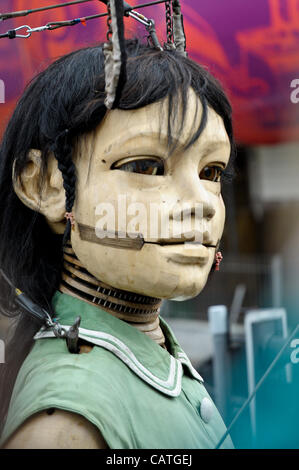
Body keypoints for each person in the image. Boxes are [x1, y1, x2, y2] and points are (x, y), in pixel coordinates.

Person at [0, 32, 235, 448]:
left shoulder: (148, 357)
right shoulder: (65, 424)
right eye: (145, 165)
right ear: (43, 184)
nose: (202, 202)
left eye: (212, 172)